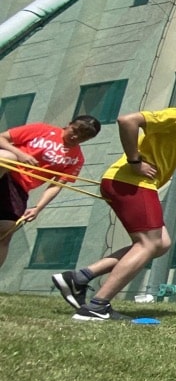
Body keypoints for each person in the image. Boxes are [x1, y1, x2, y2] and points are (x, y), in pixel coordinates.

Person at [50, 89, 176, 320]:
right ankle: (97, 306)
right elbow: (127, 121)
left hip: (138, 184)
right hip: (131, 181)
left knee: (161, 243)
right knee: (149, 243)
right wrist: (135, 162)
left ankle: (80, 277)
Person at [0, 115, 102, 268]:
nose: (75, 137)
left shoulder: (76, 159)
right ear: (69, 124)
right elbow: (2, 138)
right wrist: (21, 155)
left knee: (6, 232)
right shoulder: (42, 129)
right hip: (6, 172)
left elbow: (56, 185)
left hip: (20, 188)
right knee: (8, 156)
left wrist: (38, 208)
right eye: (74, 131)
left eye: (82, 137)